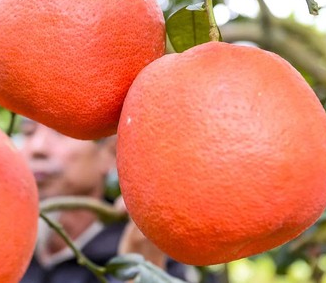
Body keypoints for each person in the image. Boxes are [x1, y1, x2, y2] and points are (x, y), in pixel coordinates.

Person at [16, 118, 219, 283]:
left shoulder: (149, 250)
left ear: (112, 154)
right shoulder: (14, 241)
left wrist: (145, 266)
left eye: (61, 131)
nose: (37, 147)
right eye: (28, 131)